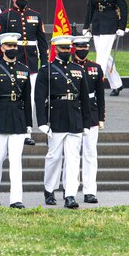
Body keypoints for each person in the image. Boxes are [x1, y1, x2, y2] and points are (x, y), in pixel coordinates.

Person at [34, 35, 91, 209]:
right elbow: (39, 97)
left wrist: (87, 123)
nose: (67, 51)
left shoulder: (78, 69)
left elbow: (84, 98)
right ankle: (49, 189)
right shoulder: (47, 70)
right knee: (54, 157)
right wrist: (42, 122)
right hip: (56, 116)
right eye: (63, 49)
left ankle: (70, 194)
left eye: (68, 49)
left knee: (73, 159)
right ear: (56, 50)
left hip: (74, 117)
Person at [0, 32, 33, 208]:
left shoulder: (24, 69)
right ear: (2, 48)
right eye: (9, 46)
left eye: (14, 46)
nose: (12, 49)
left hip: (18, 119)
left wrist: (28, 125)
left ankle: (16, 199)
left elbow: (27, 99)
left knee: (16, 160)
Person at [0, 0, 46, 145]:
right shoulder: (4, 16)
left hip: (31, 63)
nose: (22, 0)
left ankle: (26, 132)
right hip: (12, 63)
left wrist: (44, 63)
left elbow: (43, 43)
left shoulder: (35, 16)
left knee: (29, 98)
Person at [83, 0, 127, 95]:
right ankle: (117, 84)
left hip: (110, 22)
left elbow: (123, 7)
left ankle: (95, 87)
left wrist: (122, 26)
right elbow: (90, 7)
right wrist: (86, 26)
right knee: (105, 55)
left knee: (101, 57)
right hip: (97, 23)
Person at [71, 35, 105, 204]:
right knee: (72, 154)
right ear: (73, 48)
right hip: (74, 111)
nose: (83, 50)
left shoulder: (95, 68)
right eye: (79, 47)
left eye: (85, 47)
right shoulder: (68, 67)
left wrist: (101, 118)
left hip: (91, 113)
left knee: (90, 153)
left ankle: (90, 191)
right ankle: (70, 190)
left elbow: (100, 95)